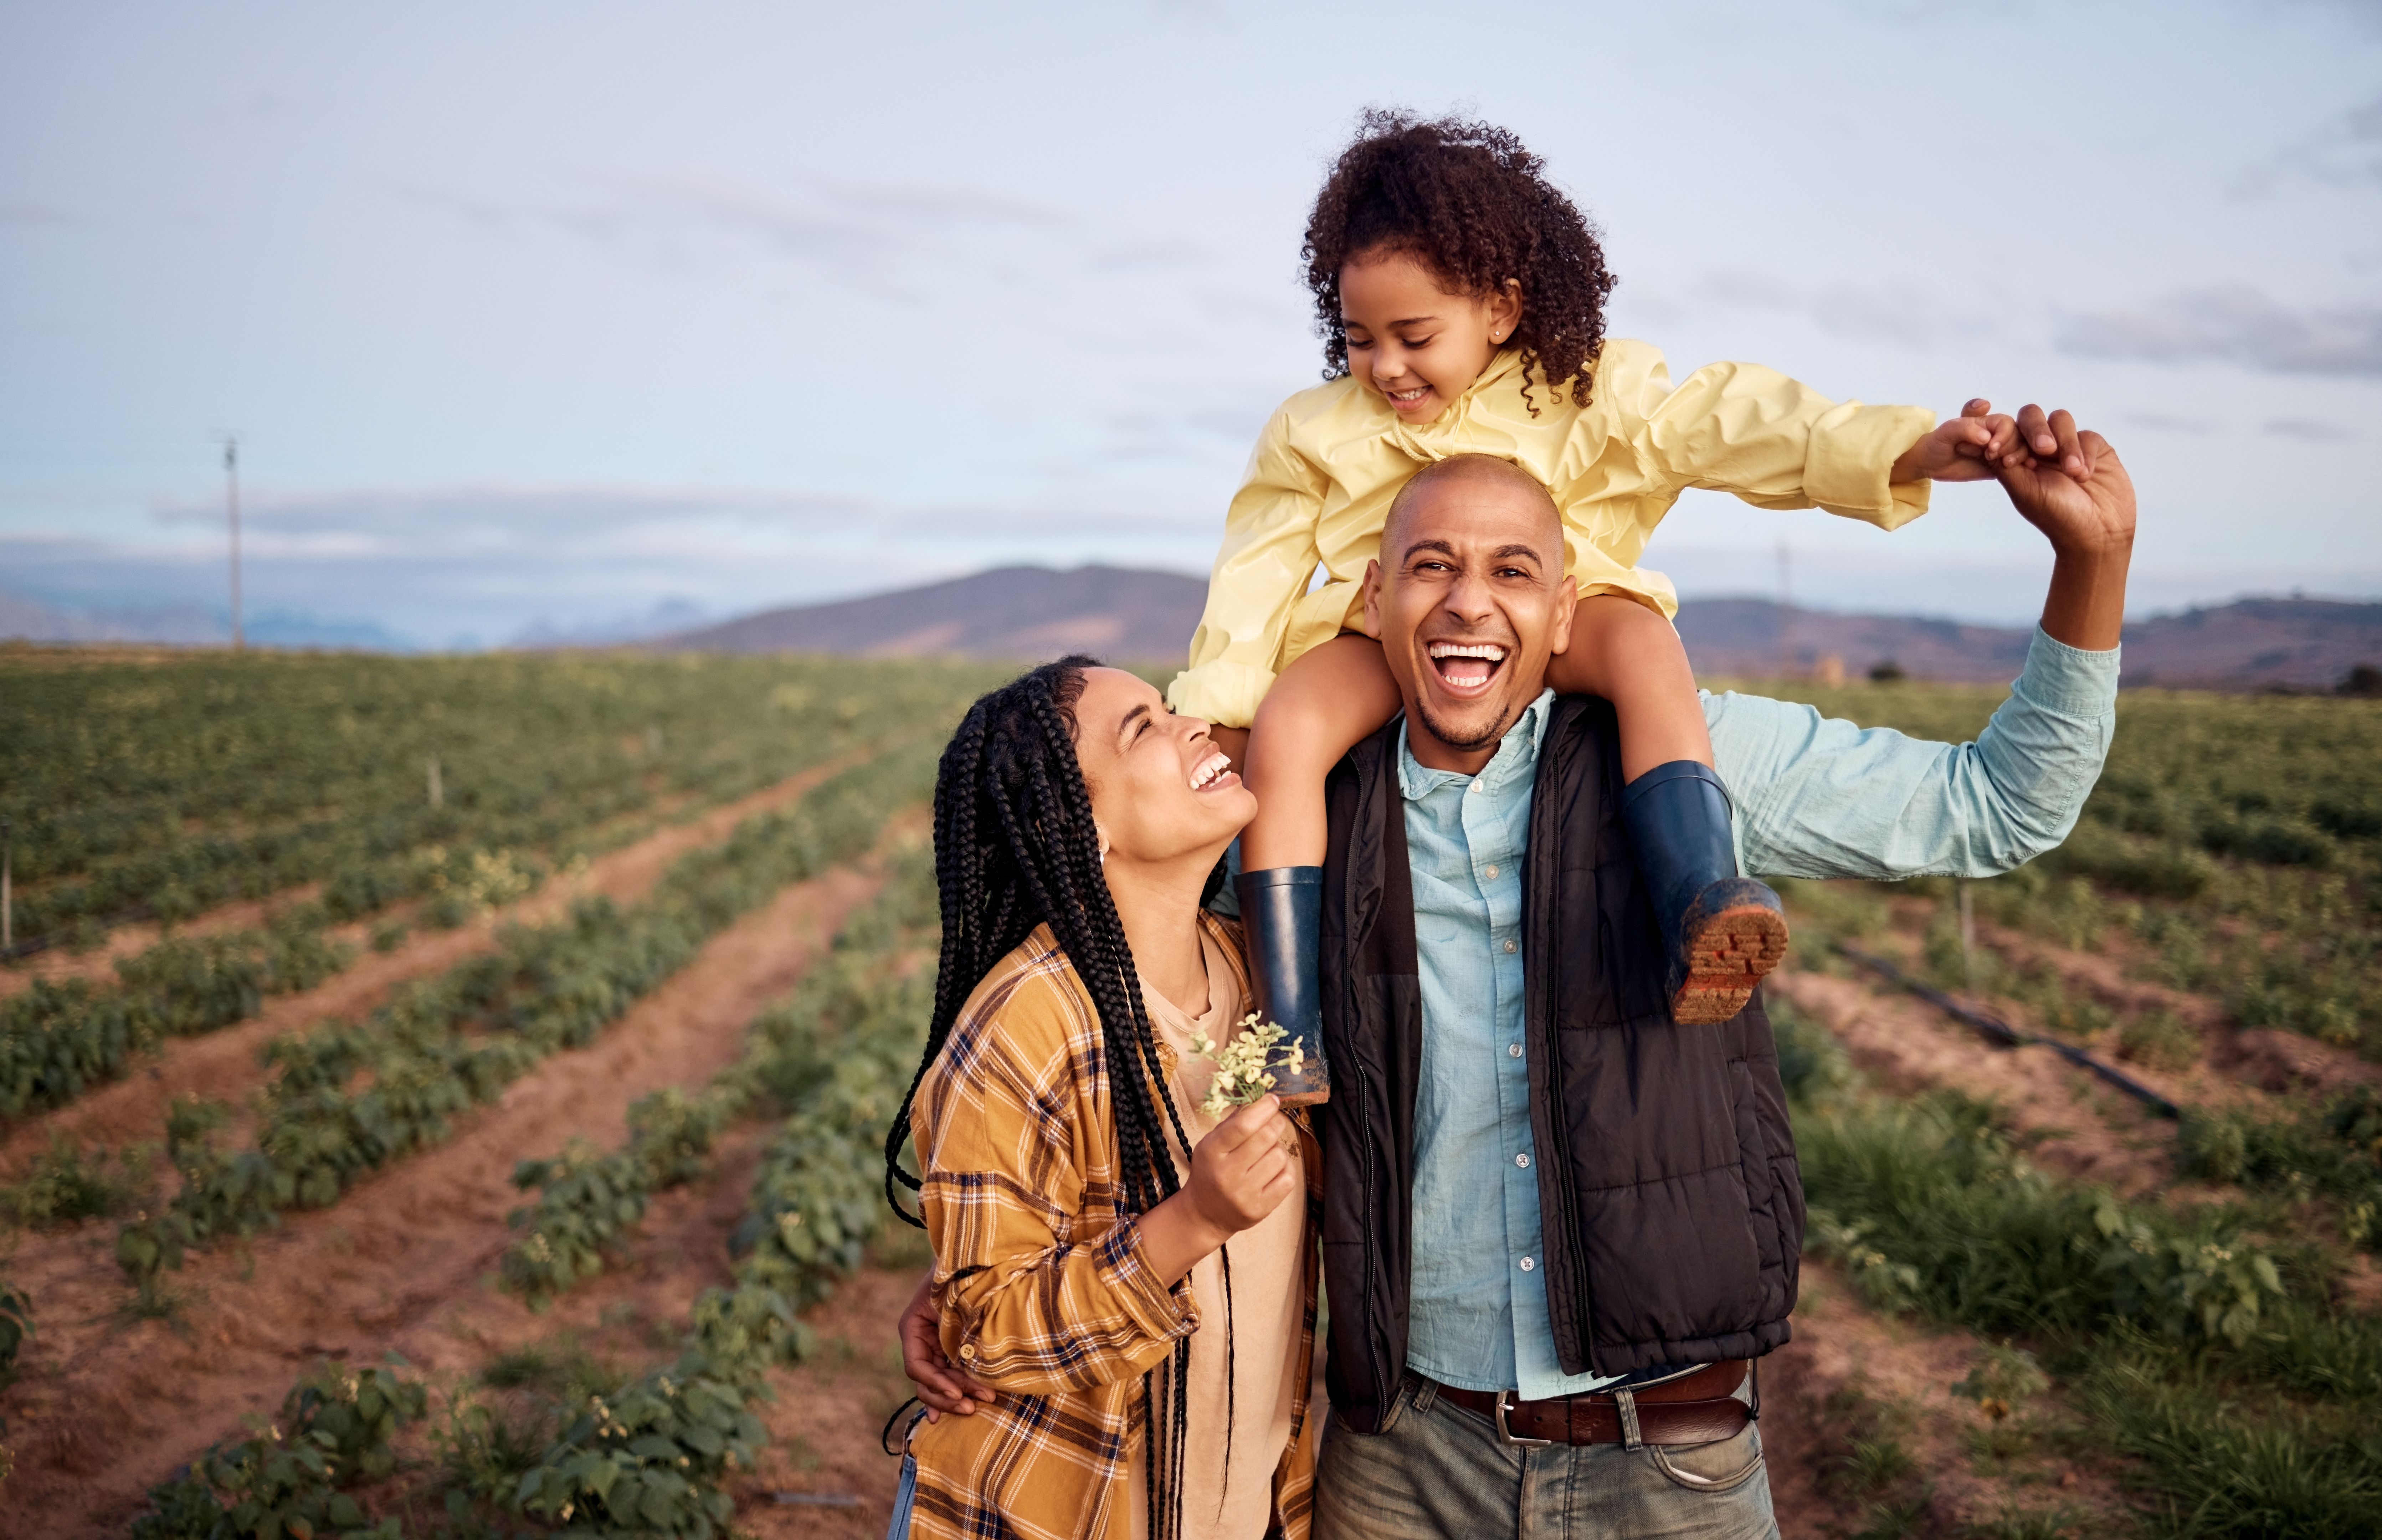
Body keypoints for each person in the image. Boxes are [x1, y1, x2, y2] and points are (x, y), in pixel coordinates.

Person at [906, 406, 2137, 1538]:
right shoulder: (1291, 815)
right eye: (1432, 566)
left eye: (1513, 571)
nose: (1467, 603)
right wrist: (972, 1308)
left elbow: (1999, 809)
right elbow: (1125, 995)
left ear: (1564, 610)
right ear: (1373, 601)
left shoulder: (1693, 761)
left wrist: (2090, 565)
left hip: (1669, 1458)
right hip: (1397, 1462)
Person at [1169, 112, 2056, 1092]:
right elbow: (1256, 566)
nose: (1384, 366)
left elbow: (1733, 423)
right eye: (1359, 339)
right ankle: (1290, 1027)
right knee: (1293, 720)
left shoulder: (1588, 390)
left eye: (1414, 337)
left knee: (1641, 645)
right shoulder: (1312, 429)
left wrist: (1902, 448)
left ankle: (1703, 904)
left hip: (1567, 622)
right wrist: (1220, 711)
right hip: (1378, 637)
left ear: (1500, 309)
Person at [877, 659, 1324, 1540]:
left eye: (1167, 707)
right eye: (1143, 728)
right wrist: (1192, 1220)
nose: (1190, 722)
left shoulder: (1253, 970)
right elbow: (987, 1333)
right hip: (1052, 1514)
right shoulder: (1021, 1025)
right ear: (1083, 828)